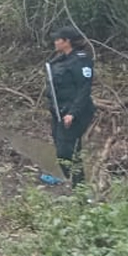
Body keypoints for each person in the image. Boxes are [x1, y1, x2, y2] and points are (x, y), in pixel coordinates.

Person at [44, 24, 96, 185]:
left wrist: (72, 113)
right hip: (59, 111)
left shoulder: (81, 60)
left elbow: (84, 90)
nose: (55, 42)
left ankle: (79, 189)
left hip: (75, 113)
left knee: (69, 151)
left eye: (58, 39)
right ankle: (70, 181)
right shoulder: (60, 59)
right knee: (61, 148)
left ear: (66, 41)